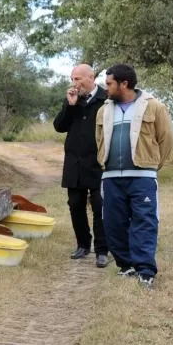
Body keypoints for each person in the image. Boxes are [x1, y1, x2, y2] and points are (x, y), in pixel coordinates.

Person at [95, 64, 173, 290]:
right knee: (112, 223)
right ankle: (125, 265)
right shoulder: (104, 110)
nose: (105, 87)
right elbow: (99, 139)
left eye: (109, 83)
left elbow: (166, 140)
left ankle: (145, 271)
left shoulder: (154, 106)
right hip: (110, 178)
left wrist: (151, 167)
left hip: (142, 177)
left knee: (144, 221)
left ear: (124, 84)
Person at [53, 63, 109, 267]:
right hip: (74, 163)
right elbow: (59, 126)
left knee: (100, 206)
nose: (74, 83)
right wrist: (70, 105)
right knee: (75, 205)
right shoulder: (72, 99)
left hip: (98, 163)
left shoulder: (106, 99)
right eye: (72, 79)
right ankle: (83, 244)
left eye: (78, 79)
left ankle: (102, 250)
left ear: (91, 77)